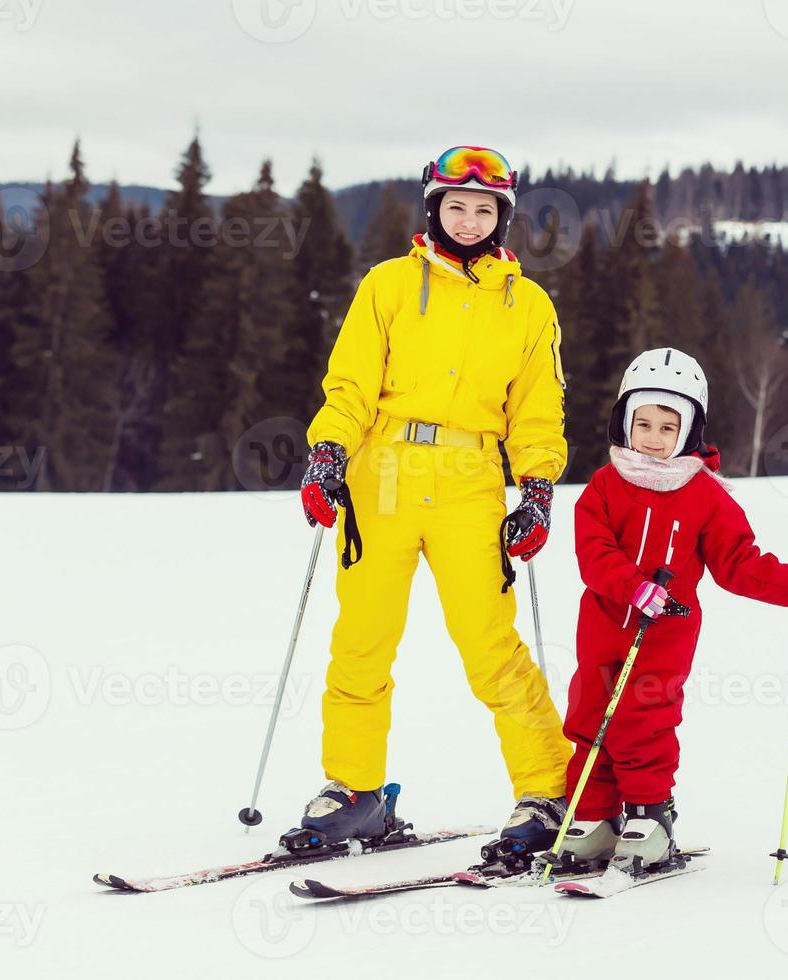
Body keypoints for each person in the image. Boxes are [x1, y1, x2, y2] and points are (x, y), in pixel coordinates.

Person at [292, 145, 571, 855]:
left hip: (470, 480)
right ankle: (355, 791)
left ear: (502, 216)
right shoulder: (387, 286)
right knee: (362, 640)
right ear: (434, 209)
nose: (470, 219)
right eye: (457, 205)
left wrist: (535, 490)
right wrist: (330, 455)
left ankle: (547, 790)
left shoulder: (528, 306)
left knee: (490, 646)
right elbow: (350, 382)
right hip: (380, 475)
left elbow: (537, 412)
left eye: (484, 208)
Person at [557, 348, 788, 870]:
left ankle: (648, 817)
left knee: (644, 720)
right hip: (602, 630)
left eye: (668, 426)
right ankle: (592, 815)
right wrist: (632, 585)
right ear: (624, 422)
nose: (653, 438)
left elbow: (738, 560)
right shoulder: (604, 485)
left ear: (689, 431)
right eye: (643, 423)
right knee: (589, 717)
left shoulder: (704, 495)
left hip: (663, 639)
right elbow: (593, 551)